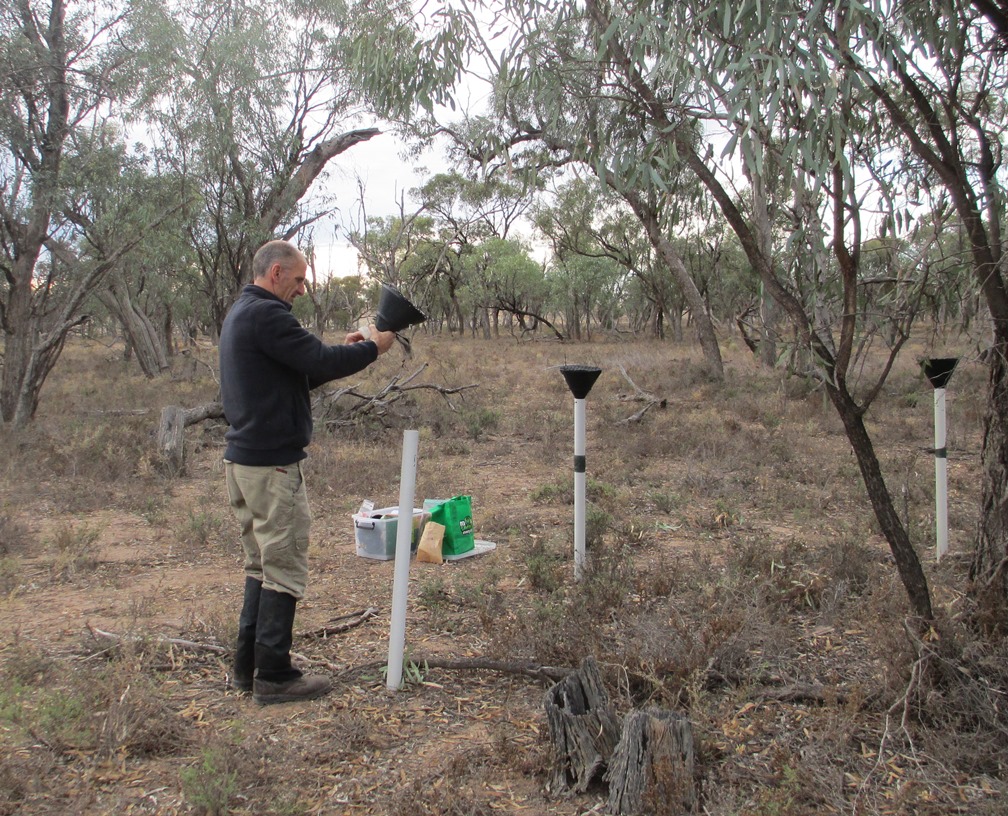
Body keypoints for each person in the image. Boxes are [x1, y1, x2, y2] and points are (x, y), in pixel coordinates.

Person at [219, 239, 395, 705]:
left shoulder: (244, 313)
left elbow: (302, 370)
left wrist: (345, 350)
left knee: (261, 565)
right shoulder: (266, 315)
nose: (302, 289)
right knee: (284, 566)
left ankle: (247, 669)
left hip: (245, 463)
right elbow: (315, 361)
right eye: (298, 280)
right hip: (271, 465)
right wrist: (374, 348)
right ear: (276, 273)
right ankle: (274, 676)